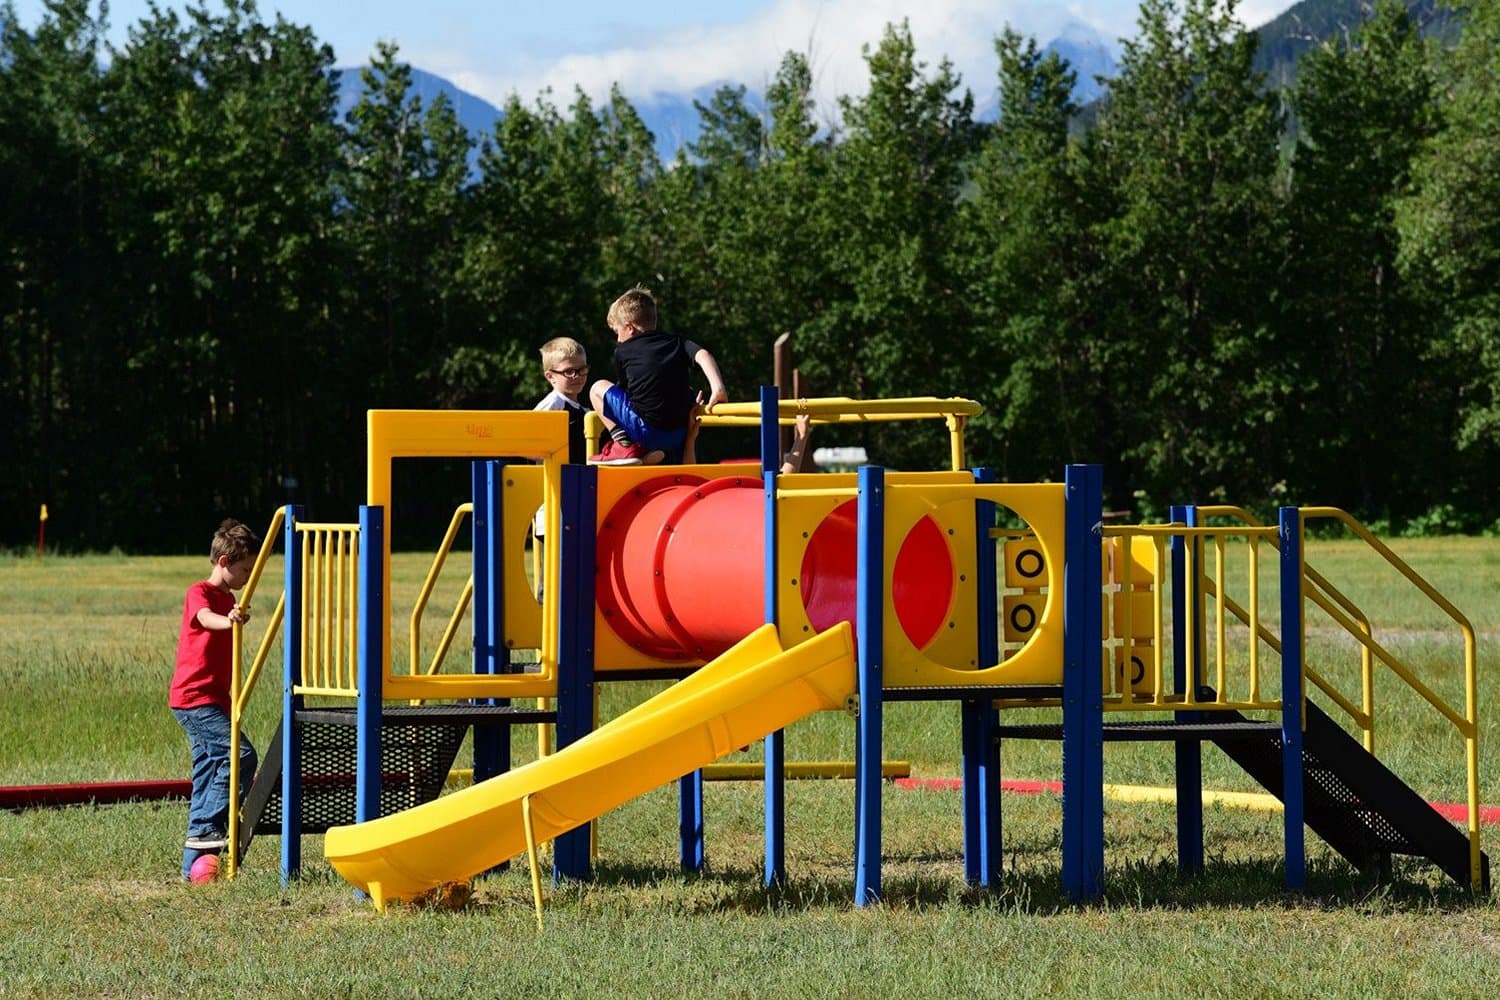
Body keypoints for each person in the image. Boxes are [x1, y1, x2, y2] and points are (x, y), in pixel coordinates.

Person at [169, 518, 260, 880]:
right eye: (244, 569)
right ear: (223, 563)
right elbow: (205, 619)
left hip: (214, 699)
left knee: (207, 772)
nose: (248, 576)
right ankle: (210, 824)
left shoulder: (229, 598)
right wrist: (231, 620)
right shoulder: (201, 593)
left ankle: (193, 860)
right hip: (193, 698)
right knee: (241, 756)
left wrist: (232, 613)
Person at [588, 286, 728, 466]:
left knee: (597, 388)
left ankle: (624, 445)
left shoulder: (622, 351)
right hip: (679, 433)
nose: (618, 339)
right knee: (681, 390)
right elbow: (703, 355)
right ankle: (646, 453)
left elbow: (625, 391)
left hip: (646, 430)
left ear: (629, 328)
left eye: (617, 332)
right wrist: (718, 388)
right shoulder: (678, 341)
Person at [533, 336, 589, 464]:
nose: (578, 376)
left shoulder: (584, 409)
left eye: (582, 370)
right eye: (569, 372)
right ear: (550, 376)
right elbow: (531, 446)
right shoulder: (552, 405)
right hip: (555, 478)